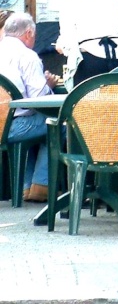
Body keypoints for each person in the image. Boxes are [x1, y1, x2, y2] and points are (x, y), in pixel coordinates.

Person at [0, 12, 59, 202]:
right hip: (12, 126)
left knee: (34, 126)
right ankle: (41, 185)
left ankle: (26, 187)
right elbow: (39, 99)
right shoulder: (27, 56)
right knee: (59, 122)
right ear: (28, 33)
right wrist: (48, 86)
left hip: (4, 124)